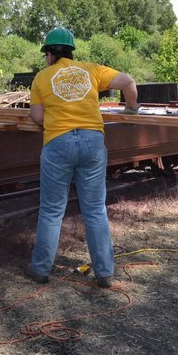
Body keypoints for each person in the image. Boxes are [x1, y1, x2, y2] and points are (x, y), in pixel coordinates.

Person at [26, 27, 138, 288]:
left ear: (50, 54)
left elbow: (37, 118)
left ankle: (41, 269)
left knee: (52, 210)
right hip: (92, 141)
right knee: (95, 210)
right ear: (71, 51)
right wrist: (132, 109)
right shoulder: (92, 70)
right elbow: (128, 82)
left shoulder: (42, 77)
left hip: (58, 142)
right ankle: (105, 273)